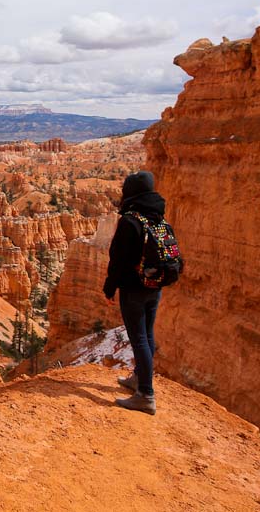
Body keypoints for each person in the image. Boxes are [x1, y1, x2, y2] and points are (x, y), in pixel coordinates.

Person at [103, 170, 166, 415]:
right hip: (155, 285)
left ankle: (145, 395)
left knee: (138, 337)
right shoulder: (158, 217)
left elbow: (118, 258)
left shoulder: (130, 220)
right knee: (147, 334)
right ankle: (139, 379)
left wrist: (110, 286)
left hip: (134, 288)